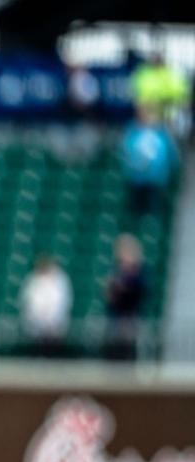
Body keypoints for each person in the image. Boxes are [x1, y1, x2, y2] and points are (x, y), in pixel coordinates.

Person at [122, 107, 178, 217]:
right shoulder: (132, 132)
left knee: (154, 211)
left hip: (156, 180)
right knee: (135, 212)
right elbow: (127, 153)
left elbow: (171, 156)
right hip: (136, 180)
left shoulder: (162, 134)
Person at [103, 233, 146, 361]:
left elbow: (139, 293)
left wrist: (122, 286)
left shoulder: (139, 274)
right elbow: (109, 295)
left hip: (131, 319)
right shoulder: (116, 271)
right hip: (116, 319)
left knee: (128, 353)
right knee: (113, 353)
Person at [20, 255, 72, 357]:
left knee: (53, 349)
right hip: (36, 324)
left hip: (55, 325)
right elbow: (28, 302)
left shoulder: (60, 280)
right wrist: (38, 318)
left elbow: (62, 303)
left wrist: (51, 320)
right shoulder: (32, 280)